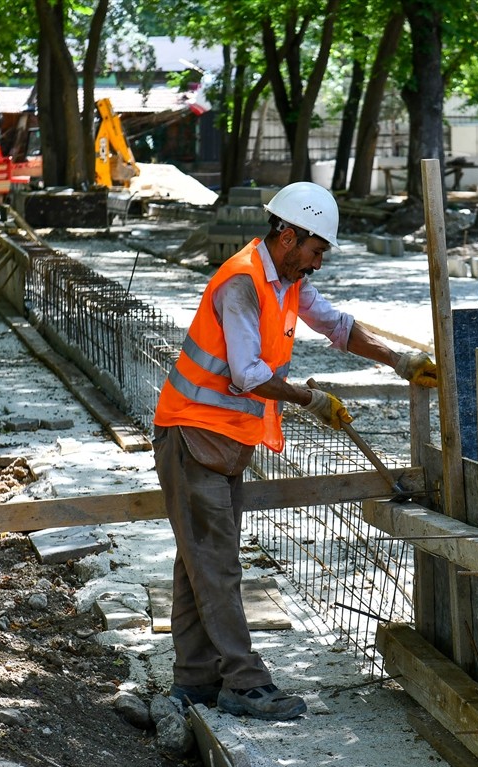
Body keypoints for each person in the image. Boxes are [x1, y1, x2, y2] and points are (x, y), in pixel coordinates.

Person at [152, 181, 437, 721]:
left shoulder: (285, 281)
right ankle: (244, 683)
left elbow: (337, 326)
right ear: (288, 237)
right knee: (216, 566)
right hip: (192, 436)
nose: (319, 263)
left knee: (200, 564)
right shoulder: (242, 282)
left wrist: (398, 361)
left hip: (220, 440)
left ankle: (193, 683)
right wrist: (312, 399)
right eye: (316, 250)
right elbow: (248, 373)